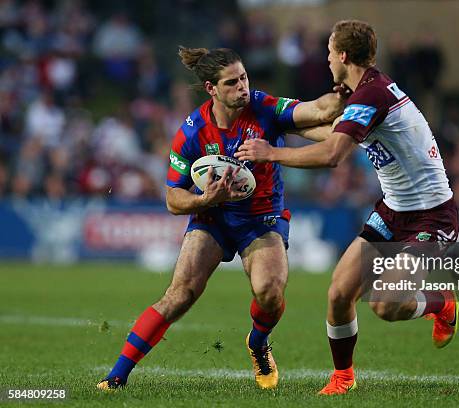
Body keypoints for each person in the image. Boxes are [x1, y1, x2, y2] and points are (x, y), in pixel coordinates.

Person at [97, 46, 344, 391]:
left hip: (262, 218)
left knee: (269, 292)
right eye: (232, 82)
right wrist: (204, 199)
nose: (243, 87)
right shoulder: (192, 132)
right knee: (179, 295)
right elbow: (172, 198)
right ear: (212, 89)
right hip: (213, 217)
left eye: (243, 77)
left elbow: (317, 110)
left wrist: (345, 92)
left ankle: (258, 344)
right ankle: (116, 377)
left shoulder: (264, 107)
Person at [235, 20, 459, 395]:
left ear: (342, 55)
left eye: (328, 52)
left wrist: (271, 152)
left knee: (387, 305)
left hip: (432, 216)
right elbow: (331, 129)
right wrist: (279, 124)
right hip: (392, 211)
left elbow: (333, 154)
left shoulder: (371, 96)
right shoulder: (365, 90)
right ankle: (343, 377)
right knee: (339, 294)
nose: (325, 60)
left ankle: (441, 303)